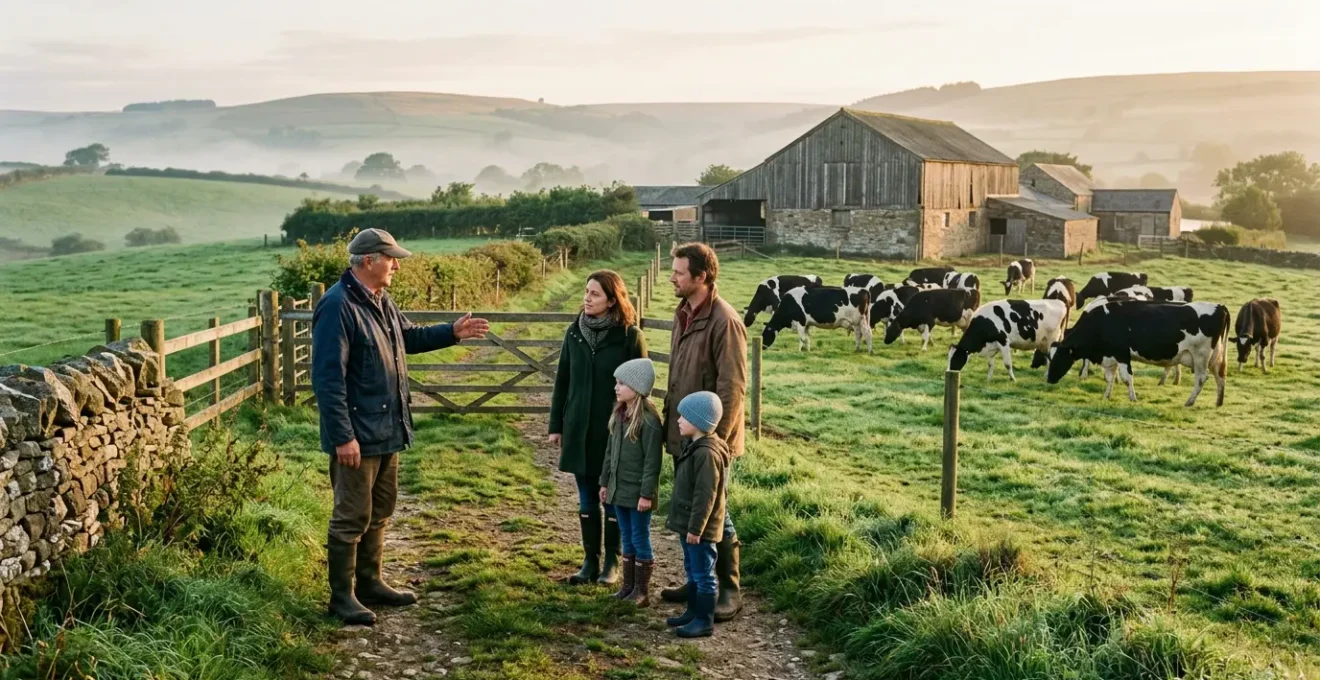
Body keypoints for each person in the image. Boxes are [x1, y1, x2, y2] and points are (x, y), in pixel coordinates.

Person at [312, 228, 490, 626]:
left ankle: (370, 582)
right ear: (369, 260)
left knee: (380, 510)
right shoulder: (337, 306)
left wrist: (452, 332)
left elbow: (407, 337)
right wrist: (343, 436)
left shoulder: (380, 299)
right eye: (391, 258)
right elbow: (327, 378)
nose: (396, 265)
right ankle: (342, 598)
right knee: (350, 516)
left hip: (387, 427)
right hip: (357, 433)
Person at [660, 242, 748, 622]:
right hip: (686, 434)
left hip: (711, 441)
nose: (672, 278)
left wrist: (717, 442)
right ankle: (697, 581)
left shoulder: (724, 320)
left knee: (717, 512)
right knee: (688, 506)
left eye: (679, 272)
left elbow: (733, 386)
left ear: (702, 276)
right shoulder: (684, 313)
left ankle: (729, 588)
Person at [549, 271, 647, 586]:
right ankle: (589, 563)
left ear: (611, 300)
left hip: (614, 430)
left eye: (594, 294)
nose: (587, 299)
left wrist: (633, 427)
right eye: (586, 292)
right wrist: (556, 425)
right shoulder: (574, 333)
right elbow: (562, 381)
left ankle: (613, 563)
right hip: (579, 427)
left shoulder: (630, 336)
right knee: (587, 497)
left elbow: (641, 387)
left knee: (613, 497)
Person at [664, 391, 730, 639]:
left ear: (699, 422)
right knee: (692, 569)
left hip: (700, 529)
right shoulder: (694, 447)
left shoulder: (707, 454)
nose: (678, 420)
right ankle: (692, 612)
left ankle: (704, 620)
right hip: (689, 525)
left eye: (684, 416)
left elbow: (706, 496)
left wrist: (696, 529)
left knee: (704, 574)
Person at [598, 358, 664, 607]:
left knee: (639, 537)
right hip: (619, 489)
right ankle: (627, 587)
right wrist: (605, 483)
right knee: (626, 535)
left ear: (637, 387)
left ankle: (642, 592)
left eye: (622, 383)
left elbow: (652, 463)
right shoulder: (618, 415)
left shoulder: (648, 421)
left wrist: (647, 494)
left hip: (638, 494)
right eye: (616, 382)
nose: (616, 387)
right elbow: (609, 453)